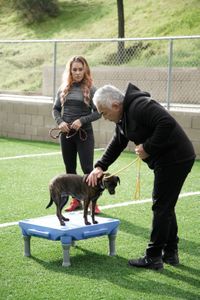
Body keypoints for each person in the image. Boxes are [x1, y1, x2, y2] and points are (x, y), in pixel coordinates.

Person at [86, 83, 195, 270]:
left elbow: (166, 123)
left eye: (103, 113)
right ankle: (170, 253)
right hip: (168, 160)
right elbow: (118, 141)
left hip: (176, 158)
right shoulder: (123, 117)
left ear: (115, 105)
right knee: (165, 205)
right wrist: (100, 166)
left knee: (161, 206)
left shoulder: (140, 106)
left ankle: (153, 256)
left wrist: (148, 147)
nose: (103, 118)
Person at [52, 55, 101, 214]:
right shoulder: (63, 88)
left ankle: (93, 202)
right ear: (70, 71)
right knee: (70, 170)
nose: (78, 72)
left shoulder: (91, 89)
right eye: (75, 70)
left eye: (81, 69)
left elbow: (98, 112)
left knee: (88, 169)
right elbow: (55, 109)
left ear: (85, 70)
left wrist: (82, 120)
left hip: (84, 134)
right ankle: (76, 201)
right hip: (66, 136)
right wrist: (60, 122)